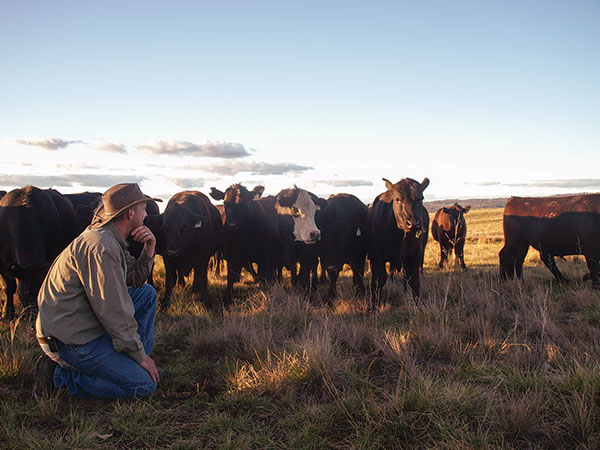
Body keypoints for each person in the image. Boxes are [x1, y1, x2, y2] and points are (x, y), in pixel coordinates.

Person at [33, 183, 162, 400]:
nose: (146, 213)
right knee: (144, 386)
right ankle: (59, 376)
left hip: (81, 321)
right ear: (131, 213)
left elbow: (136, 280)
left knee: (146, 294)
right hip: (71, 341)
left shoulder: (110, 238)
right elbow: (113, 310)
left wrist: (150, 247)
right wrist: (140, 356)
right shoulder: (101, 247)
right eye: (143, 208)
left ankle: (132, 364)